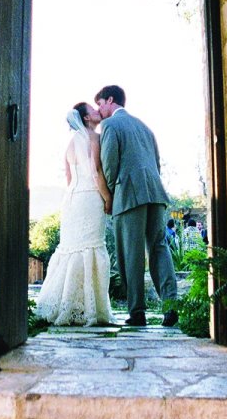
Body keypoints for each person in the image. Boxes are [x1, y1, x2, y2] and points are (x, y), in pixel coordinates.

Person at [95, 84, 178, 327]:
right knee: (159, 248)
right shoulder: (145, 127)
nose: (99, 110)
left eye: (100, 104)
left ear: (110, 100)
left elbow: (109, 164)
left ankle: (138, 312)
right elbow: (157, 163)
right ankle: (170, 305)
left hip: (128, 194)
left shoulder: (110, 125)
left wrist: (110, 194)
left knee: (130, 254)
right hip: (155, 192)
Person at [35, 103, 114, 326]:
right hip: (90, 197)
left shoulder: (70, 144)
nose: (98, 111)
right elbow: (96, 172)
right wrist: (108, 198)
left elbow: (68, 178)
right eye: (93, 109)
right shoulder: (93, 138)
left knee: (71, 249)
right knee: (92, 247)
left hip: (71, 201)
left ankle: (64, 304)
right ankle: (91, 309)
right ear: (87, 118)